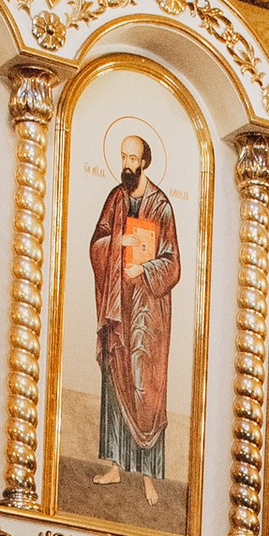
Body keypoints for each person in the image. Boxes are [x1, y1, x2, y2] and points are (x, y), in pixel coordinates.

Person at [88, 128, 181, 505]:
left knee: (147, 389)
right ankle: (115, 466)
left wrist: (144, 269)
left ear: (145, 162)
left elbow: (172, 264)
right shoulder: (115, 198)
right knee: (116, 381)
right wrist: (117, 243)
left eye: (132, 158)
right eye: (123, 157)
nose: (126, 164)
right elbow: (96, 243)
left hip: (148, 312)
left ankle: (147, 477)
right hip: (118, 308)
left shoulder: (162, 206)